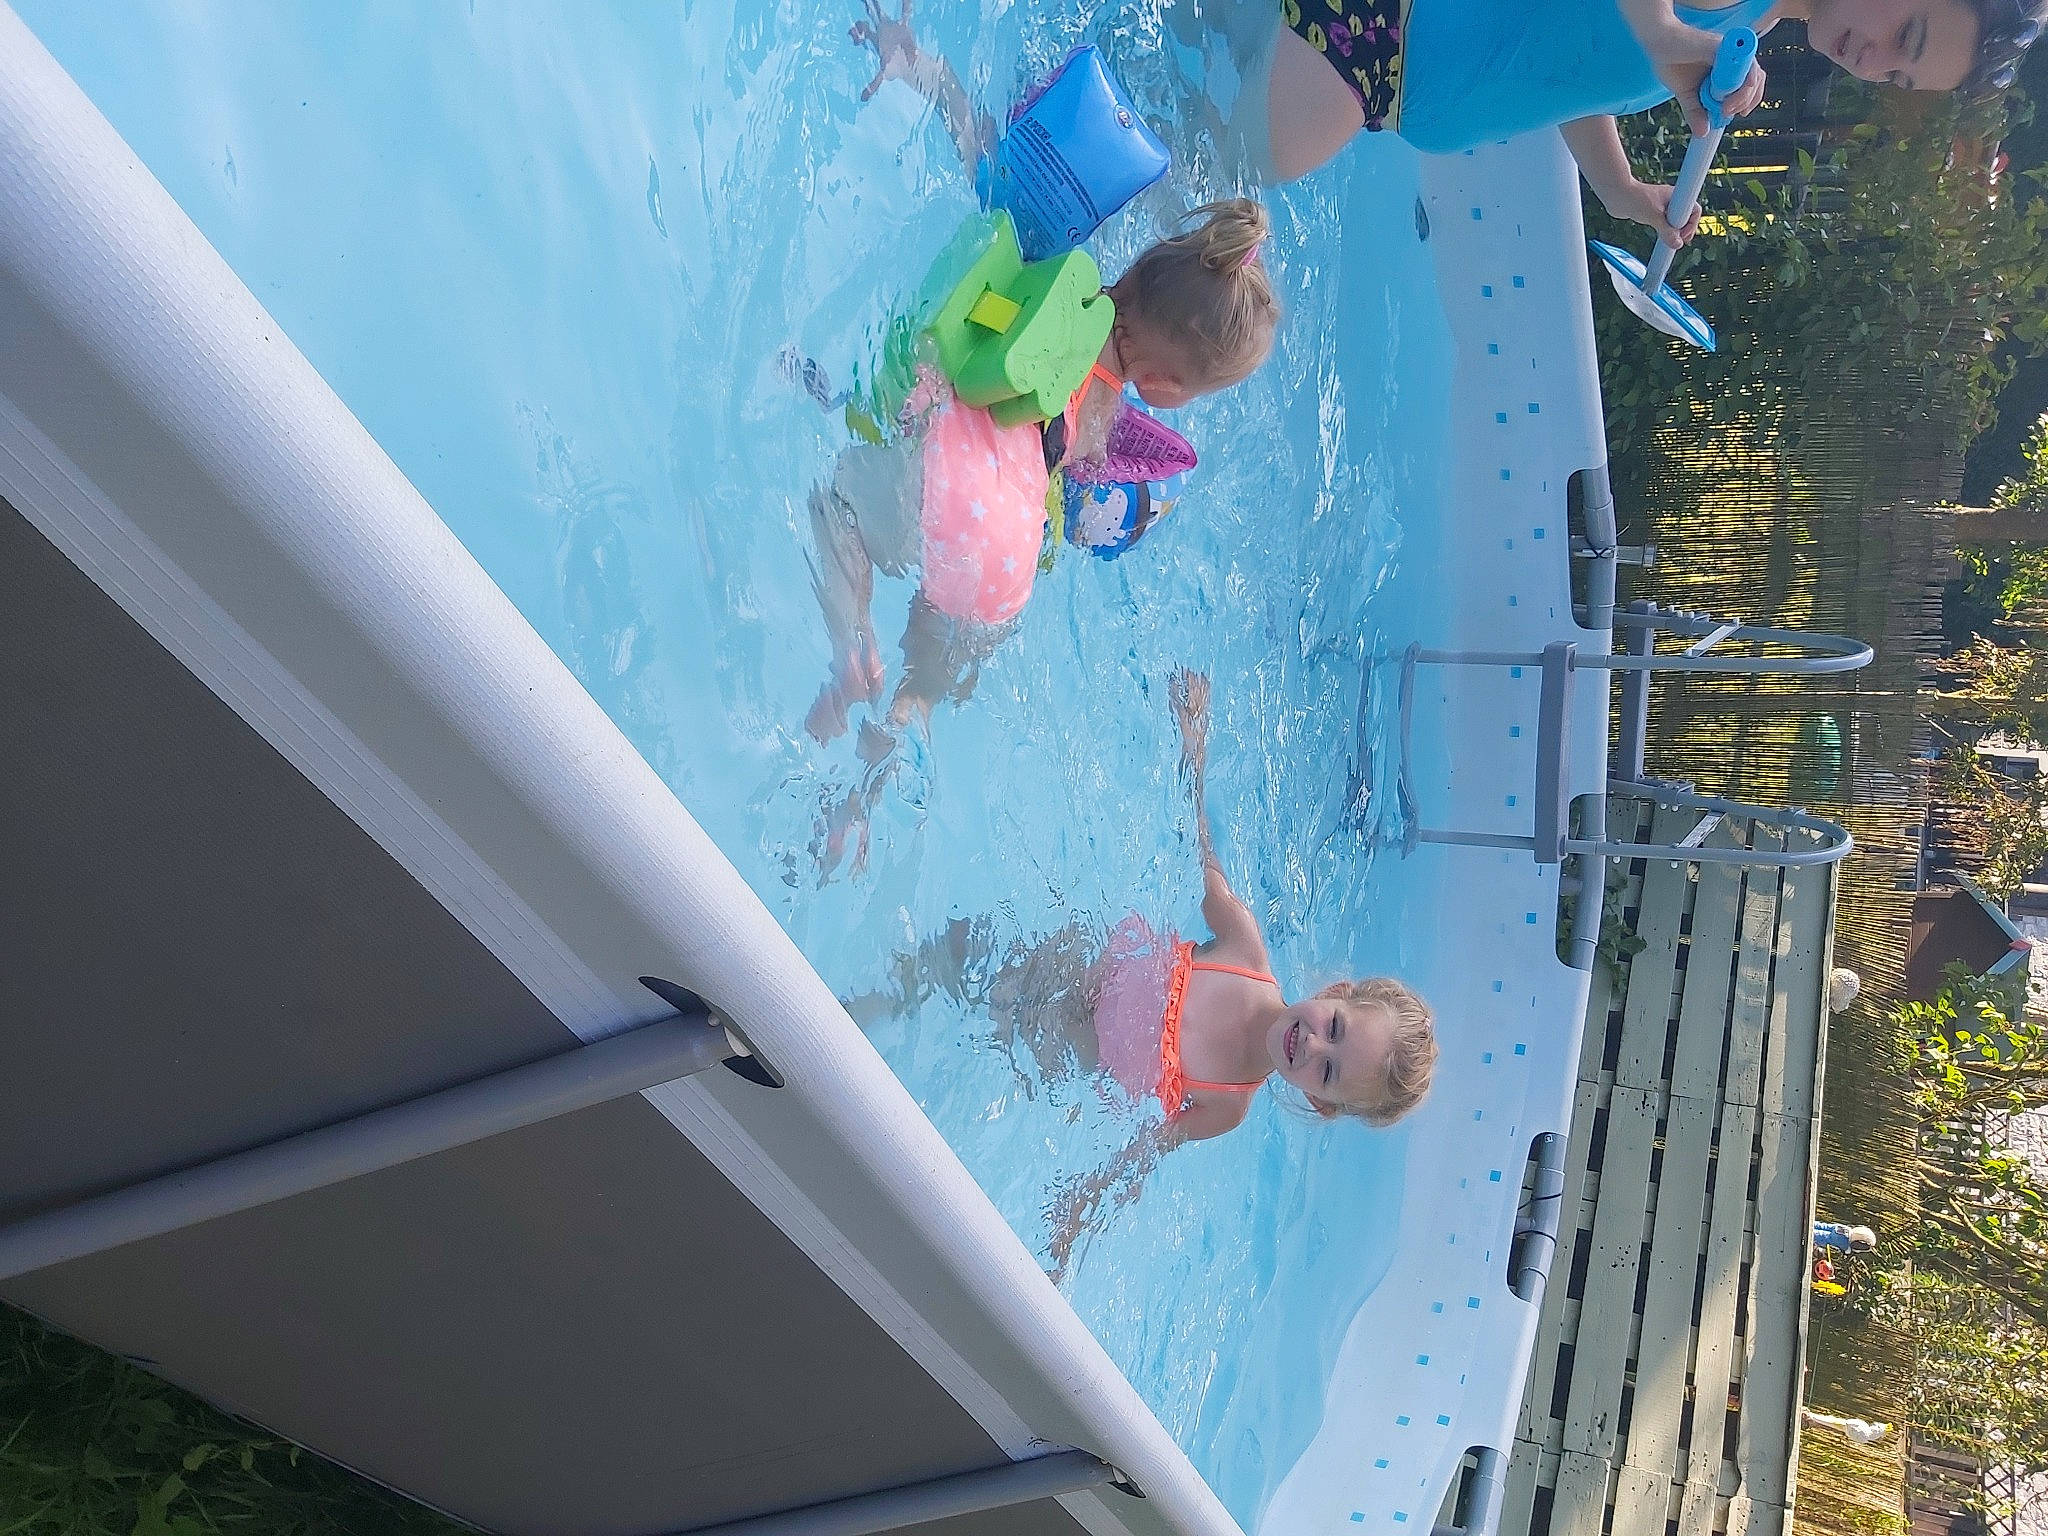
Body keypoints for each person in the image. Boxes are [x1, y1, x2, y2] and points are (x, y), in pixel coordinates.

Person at [842, 671, 1439, 1277]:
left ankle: (848, 1032)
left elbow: (1145, 1154)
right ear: (1334, 994)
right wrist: (1192, 745)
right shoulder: (1244, 952)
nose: (1312, 1045)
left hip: (1060, 1053)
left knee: (967, 1027)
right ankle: (856, 997)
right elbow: (1198, 851)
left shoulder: (1228, 1107)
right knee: (945, 966)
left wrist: (1080, 1212)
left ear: (1321, 1100)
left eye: (1329, 1070)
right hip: (1070, 965)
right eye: (1334, 1026)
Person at [1186, 0, 2044, 245]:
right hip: (1384, 28)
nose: (1876, 57)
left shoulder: (1758, 26)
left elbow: (1577, 73)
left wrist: (1620, 187)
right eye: (1909, 31)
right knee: (1184, 165)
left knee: (1174, 108)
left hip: (1380, 73)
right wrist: (1673, 39)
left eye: (1898, 71)